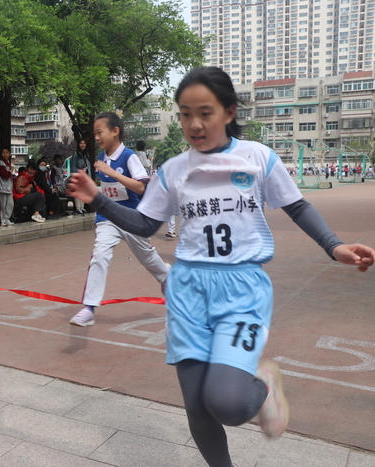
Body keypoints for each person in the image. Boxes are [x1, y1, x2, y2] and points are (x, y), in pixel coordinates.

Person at [66, 67, 375, 467]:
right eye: (184, 113)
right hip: (188, 291)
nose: (194, 124)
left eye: (205, 112)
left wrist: (334, 247)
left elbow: (297, 206)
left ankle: (263, 387)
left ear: (229, 112)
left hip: (241, 290)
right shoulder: (174, 169)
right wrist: (99, 201)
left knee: (227, 403)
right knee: (197, 406)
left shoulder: (257, 157)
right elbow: (145, 225)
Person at [69, 112, 169, 327]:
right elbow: (107, 191)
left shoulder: (129, 156)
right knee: (100, 254)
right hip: (107, 216)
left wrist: (112, 173)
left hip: (131, 216)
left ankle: (166, 277)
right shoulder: (101, 159)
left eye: (99, 132)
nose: (96, 137)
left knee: (147, 257)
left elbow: (141, 186)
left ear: (115, 132)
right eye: (94, 133)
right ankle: (89, 308)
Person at [70, 138, 92, 215]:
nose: (83, 145)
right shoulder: (76, 154)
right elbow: (73, 166)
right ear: (78, 145)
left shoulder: (86, 154)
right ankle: (78, 208)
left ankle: (82, 208)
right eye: (81, 143)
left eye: (84, 143)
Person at [0, 147, 14, 227]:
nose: (5, 154)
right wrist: (10, 171)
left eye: (7, 152)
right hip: (3, 187)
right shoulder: (1, 163)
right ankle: (2, 220)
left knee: (10, 204)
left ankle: (7, 218)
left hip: (9, 187)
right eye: (3, 152)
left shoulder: (8, 162)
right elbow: (5, 175)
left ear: (9, 154)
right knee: (2, 205)